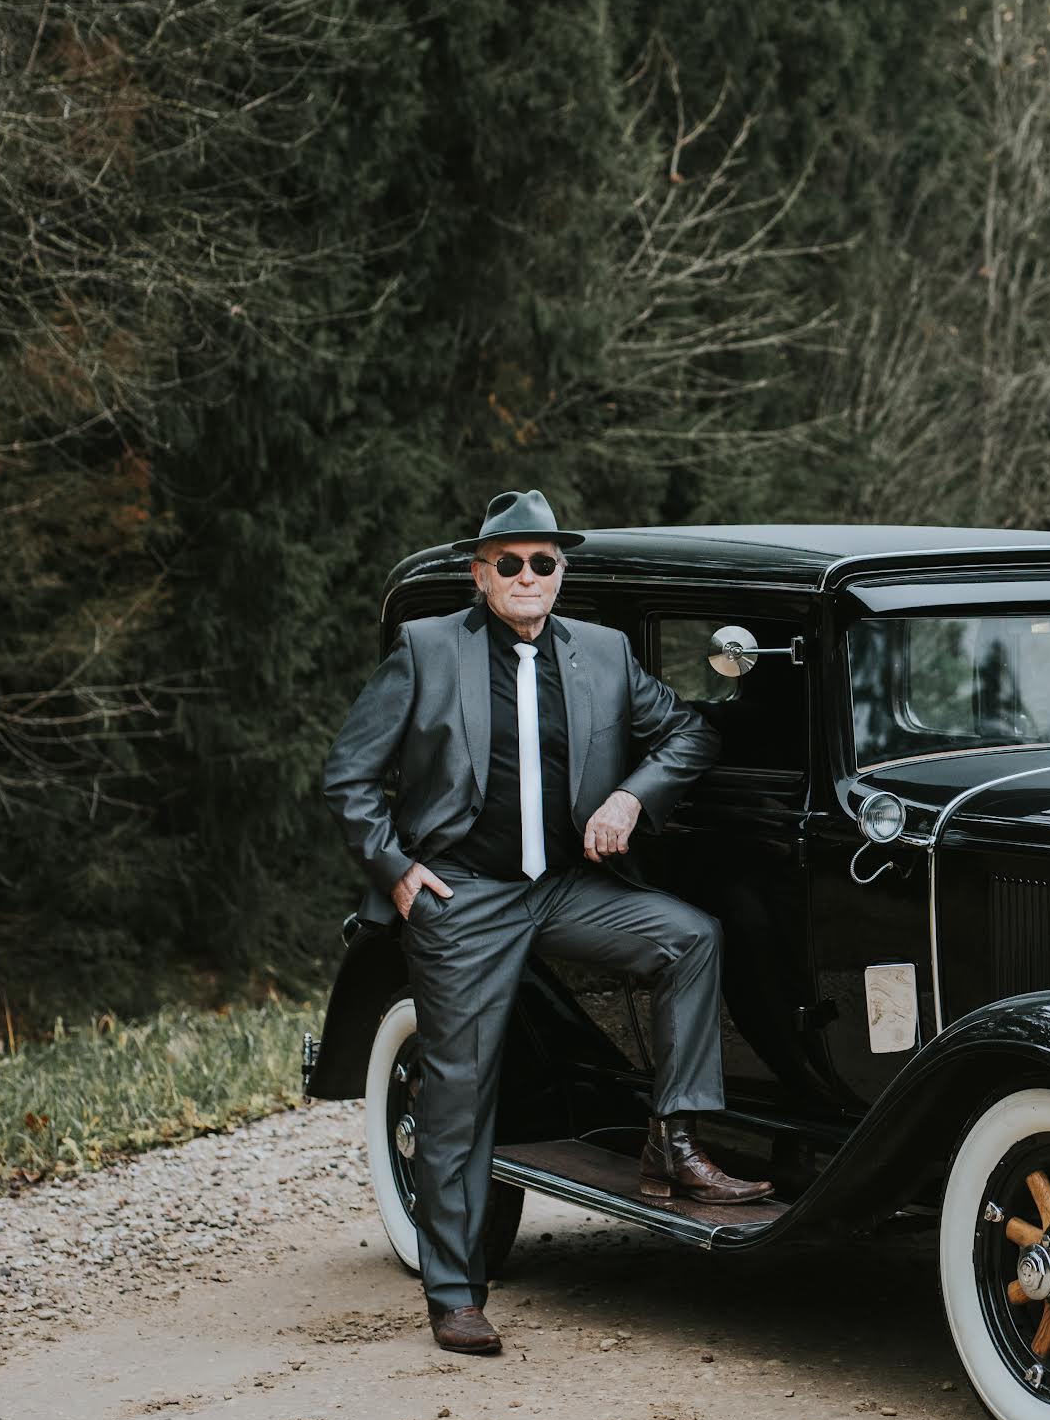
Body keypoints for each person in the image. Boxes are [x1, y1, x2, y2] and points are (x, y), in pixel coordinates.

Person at [321, 489, 770, 1356]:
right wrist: (398, 872)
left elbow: (689, 732)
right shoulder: (426, 651)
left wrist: (633, 797)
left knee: (689, 936)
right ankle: (455, 1294)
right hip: (465, 895)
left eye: (544, 562)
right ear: (480, 573)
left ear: (560, 573)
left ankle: (669, 1140)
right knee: (459, 1088)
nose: (529, 577)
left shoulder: (600, 654)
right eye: (511, 563)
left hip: (565, 889)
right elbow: (348, 776)